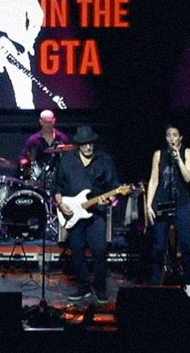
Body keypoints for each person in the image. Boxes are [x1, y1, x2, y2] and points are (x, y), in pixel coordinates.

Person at [53, 125, 118, 303]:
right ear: (78, 144)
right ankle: (83, 287)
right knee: (77, 250)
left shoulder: (104, 160)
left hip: (96, 213)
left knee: (99, 250)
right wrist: (60, 204)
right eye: (85, 144)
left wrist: (110, 200)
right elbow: (57, 187)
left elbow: (113, 189)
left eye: (91, 143)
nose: (89, 147)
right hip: (72, 212)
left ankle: (100, 288)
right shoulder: (67, 160)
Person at [146, 123, 190, 299]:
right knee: (158, 247)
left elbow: (188, 177)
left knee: (186, 246)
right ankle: (155, 284)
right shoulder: (159, 155)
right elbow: (153, 180)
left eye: (175, 135)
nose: (172, 138)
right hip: (162, 203)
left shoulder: (187, 152)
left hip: (181, 204)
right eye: (168, 135)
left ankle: (189, 284)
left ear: (180, 137)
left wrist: (178, 159)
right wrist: (148, 205)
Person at [21, 110, 69, 189]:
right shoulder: (33, 140)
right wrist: (25, 163)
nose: (48, 125)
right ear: (40, 122)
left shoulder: (62, 138)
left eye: (50, 122)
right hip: (39, 179)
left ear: (54, 121)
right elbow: (23, 158)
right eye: (45, 122)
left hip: (59, 179)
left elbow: (70, 159)